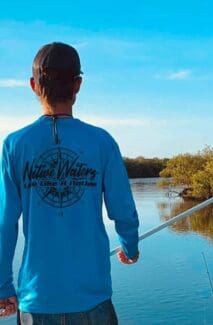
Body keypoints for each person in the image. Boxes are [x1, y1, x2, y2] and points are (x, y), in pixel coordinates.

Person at [0, 42, 140, 324]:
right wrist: (130, 246)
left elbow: (5, 222)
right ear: (77, 85)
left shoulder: (14, 145)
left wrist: (3, 286)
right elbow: (123, 210)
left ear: (33, 85)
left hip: (36, 301)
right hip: (93, 299)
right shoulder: (102, 142)